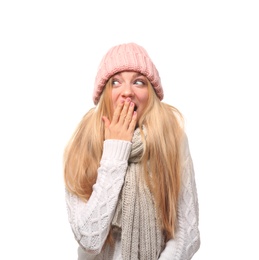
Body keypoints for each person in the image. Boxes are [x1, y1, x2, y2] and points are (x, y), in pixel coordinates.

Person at [64, 42, 200, 260]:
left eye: (139, 82)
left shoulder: (172, 138)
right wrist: (115, 150)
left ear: (151, 93)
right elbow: (89, 240)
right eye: (115, 82)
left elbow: (188, 234)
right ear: (104, 93)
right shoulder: (84, 141)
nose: (127, 92)